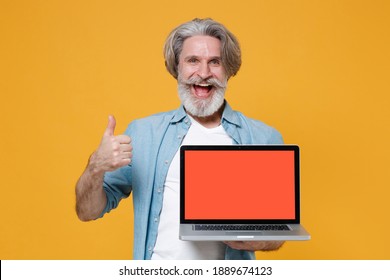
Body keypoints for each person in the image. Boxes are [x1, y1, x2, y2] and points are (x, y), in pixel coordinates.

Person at [75, 18, 284, 260]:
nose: (204, 73)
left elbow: (277, 232)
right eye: (193, 60)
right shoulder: (143, 133)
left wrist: (252, 239)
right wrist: (95, 167)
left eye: (215, 62)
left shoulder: (263, 137)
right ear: (177, 67)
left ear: (228, 69)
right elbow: (87, 212)